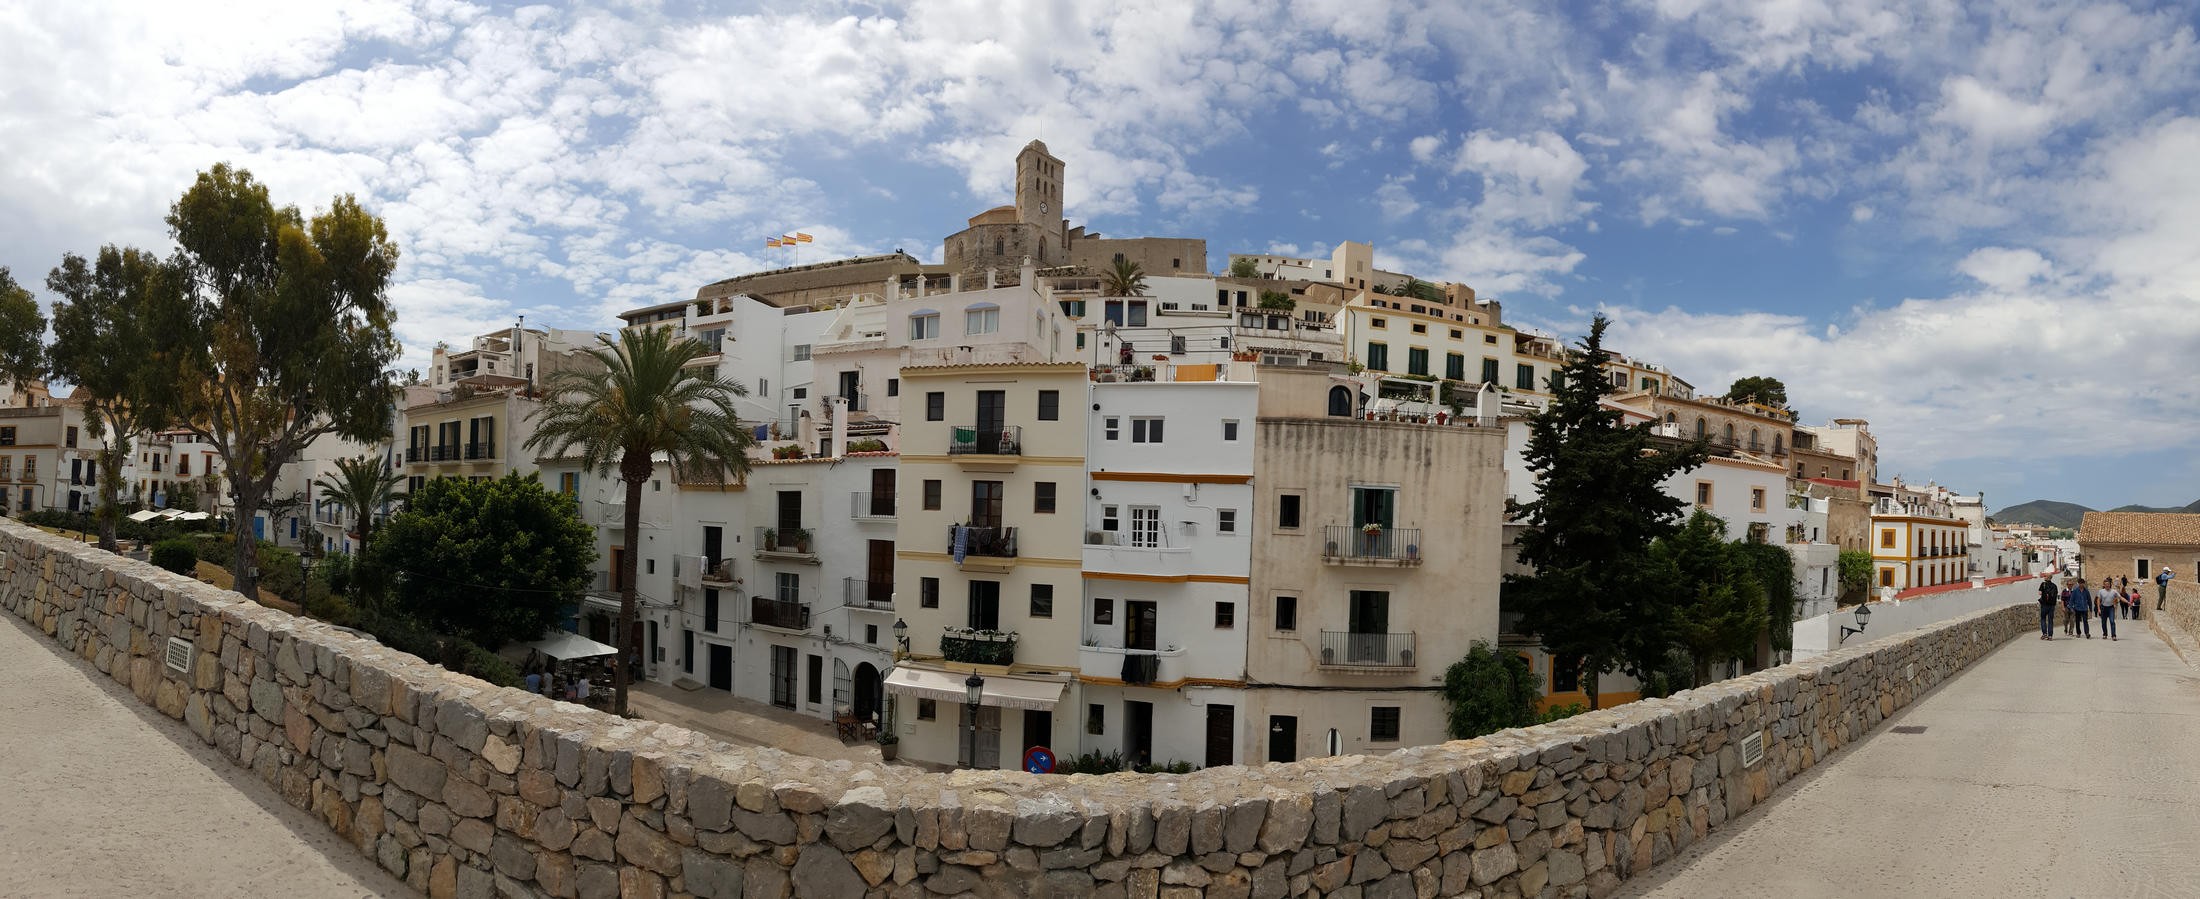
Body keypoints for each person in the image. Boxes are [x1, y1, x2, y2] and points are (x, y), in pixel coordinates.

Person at [2037, 573, 2059, 640]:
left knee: (2043, 619)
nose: (2044, 577)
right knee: (2050, 620)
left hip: (2044, 605)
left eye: (2045, 576)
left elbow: (2040, 593)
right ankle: (2050, 636)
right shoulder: (2054, 586)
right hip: (2051, 605)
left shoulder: (2043, 584)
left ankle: (2044, 634)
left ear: (2047, 577)